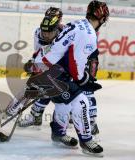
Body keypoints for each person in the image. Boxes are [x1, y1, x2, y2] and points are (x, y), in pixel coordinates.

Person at [32, 0, 109, 156]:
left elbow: (64, 51)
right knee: (82, 101)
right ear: (102, 19)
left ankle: (58, 134)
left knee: (64, 104)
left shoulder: (78, 23)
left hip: (42, 66)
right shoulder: (89, 34)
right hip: (49, 71)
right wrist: (83, 80)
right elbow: (75, 63)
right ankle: (86, 140)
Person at [17, 7, 63, 127]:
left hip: (60, 65)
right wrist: (33, 62)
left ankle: (66, 117)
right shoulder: (39, 32)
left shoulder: (65, 32)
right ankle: (35, 115)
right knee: (41, 86)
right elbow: (38, 51)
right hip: (45, 62)